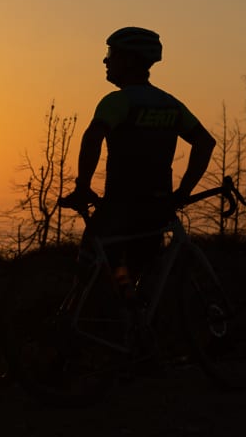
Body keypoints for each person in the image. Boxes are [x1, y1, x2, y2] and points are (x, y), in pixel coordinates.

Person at [61, 27, 216, 276]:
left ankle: (103, 307)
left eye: (112, 53)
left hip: (119, 207)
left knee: (92, 273)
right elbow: (205, 143)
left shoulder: (117, 101)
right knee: (144, 275)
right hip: (158, 208)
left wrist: (83, 186)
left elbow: (92, 138)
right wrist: (184, 191)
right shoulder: (170, 104)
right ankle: (140, 310)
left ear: (130, 60)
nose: (106, 60)